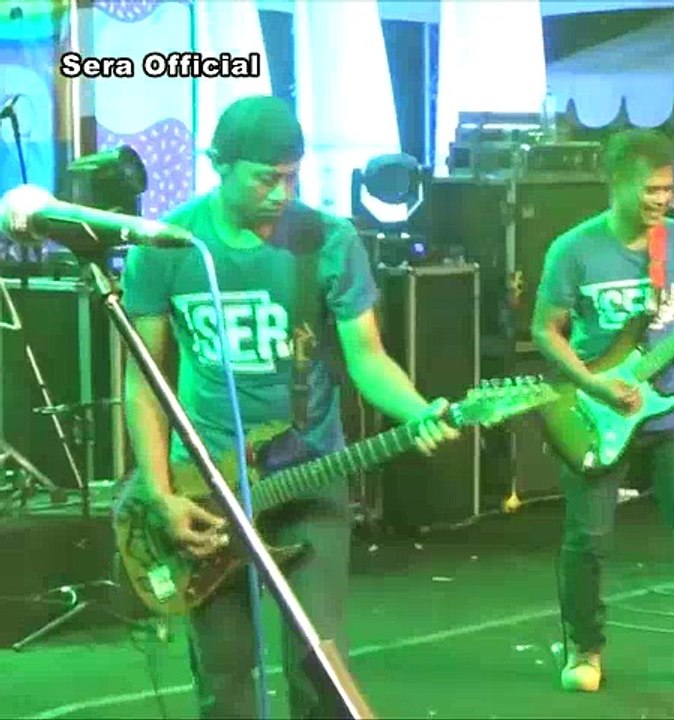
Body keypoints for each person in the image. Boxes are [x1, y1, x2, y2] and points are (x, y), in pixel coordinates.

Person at [120, 96, 460, 718]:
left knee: (318, 662)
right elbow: (145, 383)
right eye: (265, 178)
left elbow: (367, 358)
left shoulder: (328, 240)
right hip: (209, 485)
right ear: (219, 164)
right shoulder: (166, 245)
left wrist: (416, 411)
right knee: (224, 672)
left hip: (309, 474)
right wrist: (159, 490)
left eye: (292, 177)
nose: (282, 193)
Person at [531, 129, 674, 693]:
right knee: (588, 539)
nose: (662, 199)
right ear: (617, 183)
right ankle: (584, 648)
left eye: (669, 189)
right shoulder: (573, 249)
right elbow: (545, 330)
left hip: (668, 412)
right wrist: (595, 384)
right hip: (594, 410)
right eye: (651, 189)